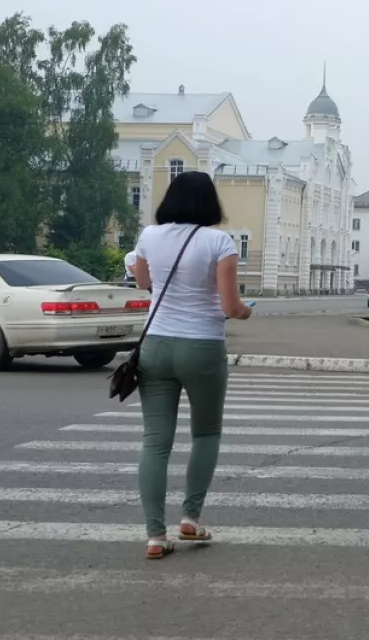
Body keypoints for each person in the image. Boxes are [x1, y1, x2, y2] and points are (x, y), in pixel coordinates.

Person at [128, 171, 253, 559]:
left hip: (156, 345)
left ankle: (154, 535)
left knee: (155, 442)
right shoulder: (220, 241)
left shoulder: (150, 236)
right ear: (210, 203)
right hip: (201, 346)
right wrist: (246, 312)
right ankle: (190, 518)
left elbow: (143, 283)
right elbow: (230, 307)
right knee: (206, 432)